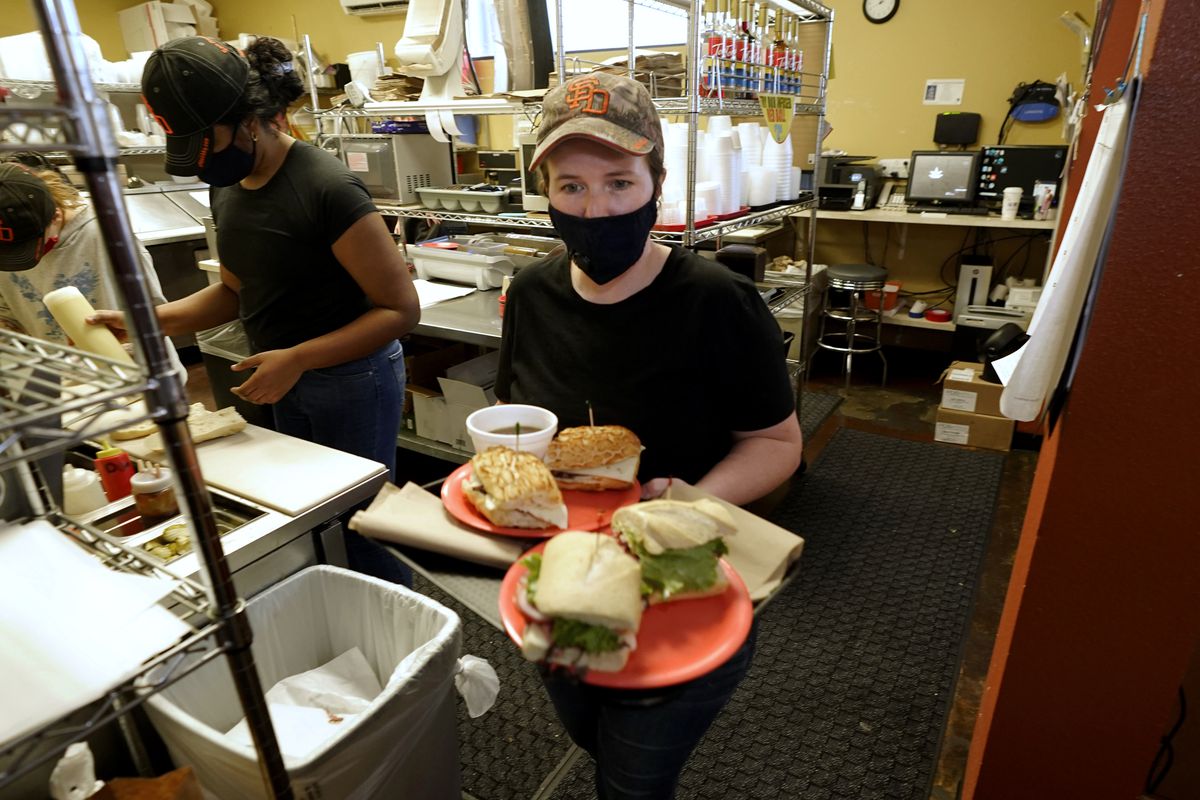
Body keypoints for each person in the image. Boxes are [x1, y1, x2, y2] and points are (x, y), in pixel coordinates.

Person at [495, 72, 804, 798]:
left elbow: (776, 443)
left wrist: (689, 501)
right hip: (565, 579)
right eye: (571, 186)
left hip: (679, 588)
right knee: (588, 732)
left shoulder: (718, 302)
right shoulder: (531, 294)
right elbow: (520, 418)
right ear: (545, 192)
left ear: (657, 184)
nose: (594, 209)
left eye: (618, 183)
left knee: (634, 779)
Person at [91, 36, 420, 583]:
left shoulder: (327, 188)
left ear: (249, 121)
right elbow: (234, 290)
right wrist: (150, 321)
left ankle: (404, 622)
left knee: (361, 520)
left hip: (351, 379)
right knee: (310, 512)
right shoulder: (228, 185)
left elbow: (399, 311)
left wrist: (298, 358)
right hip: (283, 372)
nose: (205, 161)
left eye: (208, 142)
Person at [0, 161, 183, 380]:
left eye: (28, 246)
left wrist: (123, 347)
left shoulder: (107, 235)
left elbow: (155, 313)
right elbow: (7, 313)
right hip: (68, 381)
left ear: (55, 215)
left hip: (140, 376)